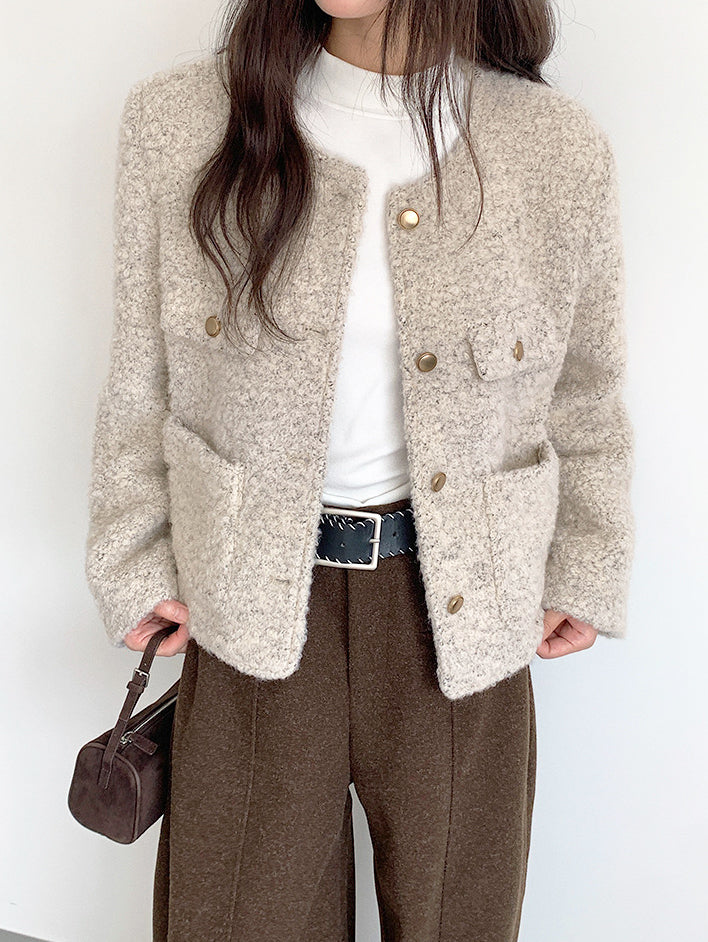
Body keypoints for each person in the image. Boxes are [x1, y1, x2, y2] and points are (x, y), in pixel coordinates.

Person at [84, 1, 635, 939]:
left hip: (460, 611)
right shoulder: (180, 123)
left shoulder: (555, 146)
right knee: (236, 919)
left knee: (458, 918)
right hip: (250, 604)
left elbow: (587, 391)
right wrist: (133, 561)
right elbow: (142, 376)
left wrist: (585, 564)